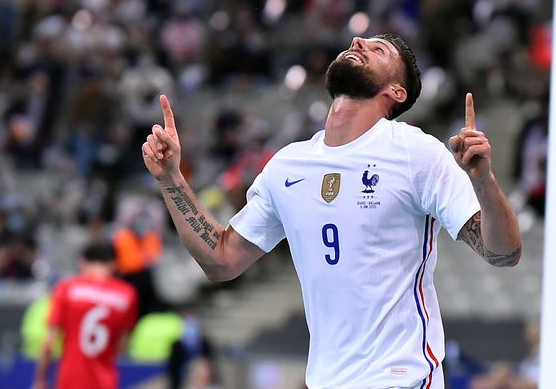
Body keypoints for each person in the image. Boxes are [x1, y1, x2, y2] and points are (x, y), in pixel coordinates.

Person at [141, 33, 521, 389]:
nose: (358, 41)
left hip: (400, 378)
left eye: (379, 50)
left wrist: (483, 182)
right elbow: (222, 260)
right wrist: (170, 178)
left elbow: (503, 253)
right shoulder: (288, 165)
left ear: (396, 91)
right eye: (361, 41)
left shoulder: (415, 153)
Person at [34, 242, 138, 389]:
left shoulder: (67, 289)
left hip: (70, 381)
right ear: (114, 264)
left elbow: (49, 343)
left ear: (83, 262)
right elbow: (122, 345)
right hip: (106, 382)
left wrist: (41, 380)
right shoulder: (126, 295)